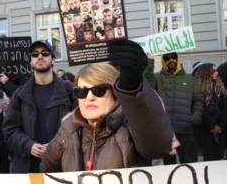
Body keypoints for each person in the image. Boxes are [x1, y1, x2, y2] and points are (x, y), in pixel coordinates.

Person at [40, 40, 174, 172]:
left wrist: (133, 86)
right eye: (81, 91)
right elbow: (46, 171)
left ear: (115, 93)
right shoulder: (67, 129)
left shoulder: (131, 124)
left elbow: (157, 149)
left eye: (99, 90)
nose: (89, 97)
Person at [2, 40, 78, 173]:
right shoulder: (20, 93)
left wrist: (58, 145)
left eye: (45, 53)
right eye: (35, 54)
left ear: (53, 60)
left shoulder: (69, 91)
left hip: (61, 166)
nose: (40, 57)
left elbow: (80, 126)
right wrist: (28, 145)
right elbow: (10, 129)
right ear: (30, 61)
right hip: (27, 167)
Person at [143, 52, 204, 165]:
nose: (171, 60)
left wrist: (194, 119)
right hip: (165, 132)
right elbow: (146, 85)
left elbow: (199, 100)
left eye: (173, 57)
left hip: (185, 131)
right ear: (163, 60)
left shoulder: (190, 79)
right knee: (167, 168)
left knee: (190, 164)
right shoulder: (157, 77)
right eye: (167, 58)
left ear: (178, 59)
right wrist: (149, 62)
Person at [194, 63, 227, 161]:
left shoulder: (220, 88)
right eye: (214, 71)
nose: (217, 73)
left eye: (216, 70)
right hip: (205, 128)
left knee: (220, 154)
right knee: (209, 156)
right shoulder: (198, 89)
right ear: (206, 73)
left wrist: (220, 125)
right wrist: (212, 125)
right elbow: (200, 109)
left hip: (220, 127)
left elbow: (225, 108)